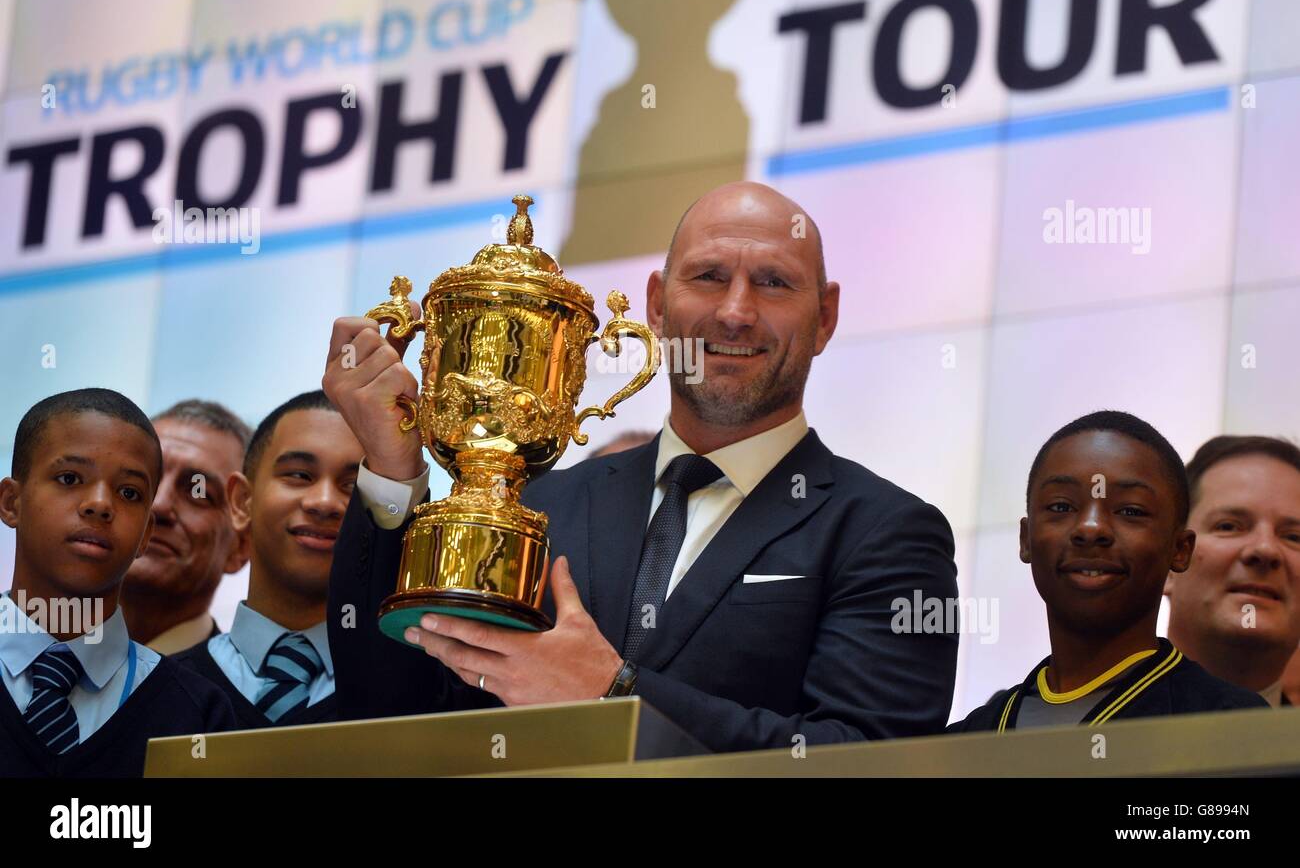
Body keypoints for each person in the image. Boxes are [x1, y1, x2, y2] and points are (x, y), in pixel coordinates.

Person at [325, 181, 959, 752]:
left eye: (773, 282)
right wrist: (392, 465)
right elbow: (391, 712)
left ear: (824, 317)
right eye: (708, 276)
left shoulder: (888, 534)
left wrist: (615, 694)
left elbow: (868, 761)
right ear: (656, 304)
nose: (736, 311)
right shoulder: (544, 507)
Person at [951, 411, 1267, 733]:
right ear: (1025, 539)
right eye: (1061, 507)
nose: (1091, 528)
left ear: (1180, 550)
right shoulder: (965, 741)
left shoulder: (1233, 726)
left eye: (1131, 510)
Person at [0, 389, 235, 776]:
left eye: (129, 492)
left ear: (146, 534)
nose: (100, 504)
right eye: (69, 477)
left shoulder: (197, 712)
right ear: (11, 502)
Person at [172, 392, 359, 729]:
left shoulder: (426, 693)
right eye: (300, 475)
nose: (325, 502)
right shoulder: (154, 692)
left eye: (354, 484)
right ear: (242, 501)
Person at [1165, 435, 1300, 707]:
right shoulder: (1076, 736)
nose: (1265, 549)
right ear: (1169, 561)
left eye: (1294, 537)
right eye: (1228, 526)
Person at [120, 399, 251, 654]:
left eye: (198, 492)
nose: (157, 505)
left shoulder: (241, 693)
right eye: (139, 482)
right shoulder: (37, 664)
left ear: (240, 547)